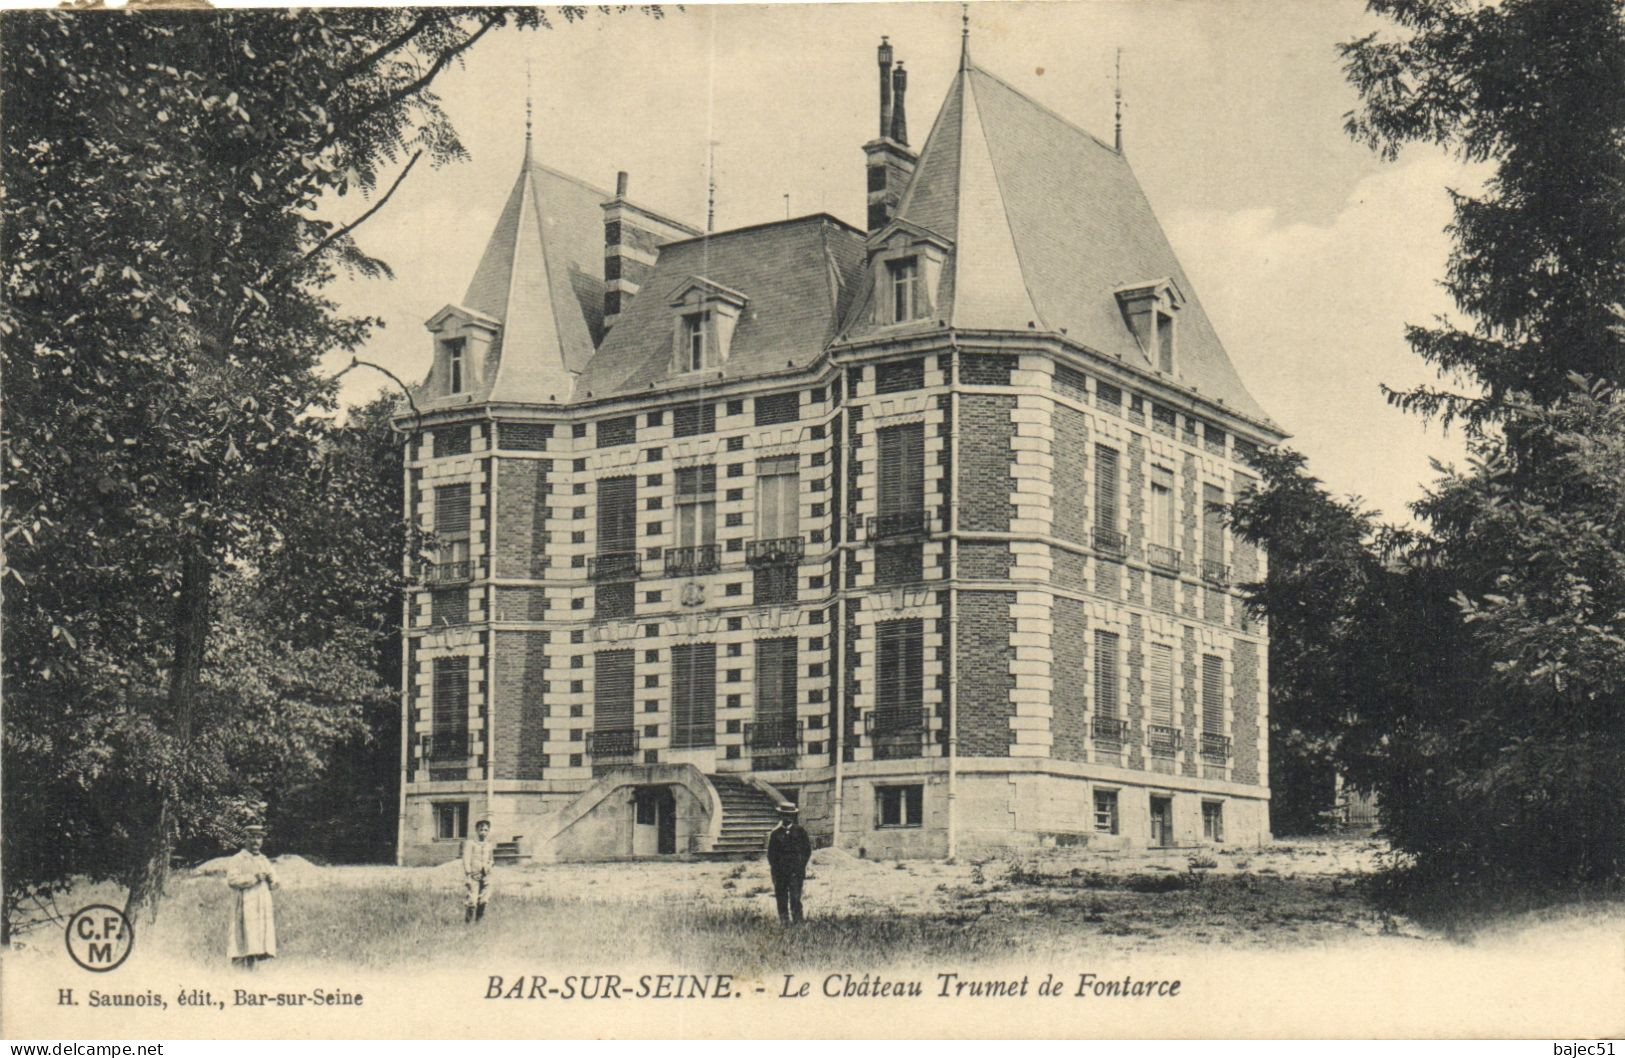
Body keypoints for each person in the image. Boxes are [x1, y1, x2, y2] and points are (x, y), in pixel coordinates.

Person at [226, 825, 277, 969]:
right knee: (243, 936)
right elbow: (232, 880)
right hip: (245, 903)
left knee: (258, 937)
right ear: (245, 839)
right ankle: (239, 971)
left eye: (259, 838)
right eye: (252, 837)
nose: (256, 842)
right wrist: (253, 878)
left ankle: (253, 968)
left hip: (262, 905)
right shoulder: (238, 859)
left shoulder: (264, 860)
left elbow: (276, 882)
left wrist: (271, 880)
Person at [765, 803, 812, 926]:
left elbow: (807, 851)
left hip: (796, 872)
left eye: (790, 815)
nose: (788, 818)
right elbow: (771, 855)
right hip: (780, 873)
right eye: (785, 815)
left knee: (795, 898)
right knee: (781, 897)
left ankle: (798, 922)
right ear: (781, 816)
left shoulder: (800, 832)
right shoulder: (775, 834)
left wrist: (800, 866)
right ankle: (784, 922)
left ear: (794, 816)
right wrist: (775, 869)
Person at [461, 818, 495, 923]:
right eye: (481, 829)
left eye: (486, 830)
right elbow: (466, 859)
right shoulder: (470, 843)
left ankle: (478, 923)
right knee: (472, 900)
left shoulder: (489, 845)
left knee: (484, 899)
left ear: (488, 831)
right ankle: (468, 923)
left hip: (486, 875)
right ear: (476, 830)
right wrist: (469, 873)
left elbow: (491, 859)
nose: (483, 832)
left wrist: (489, 866)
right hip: (473, 875)